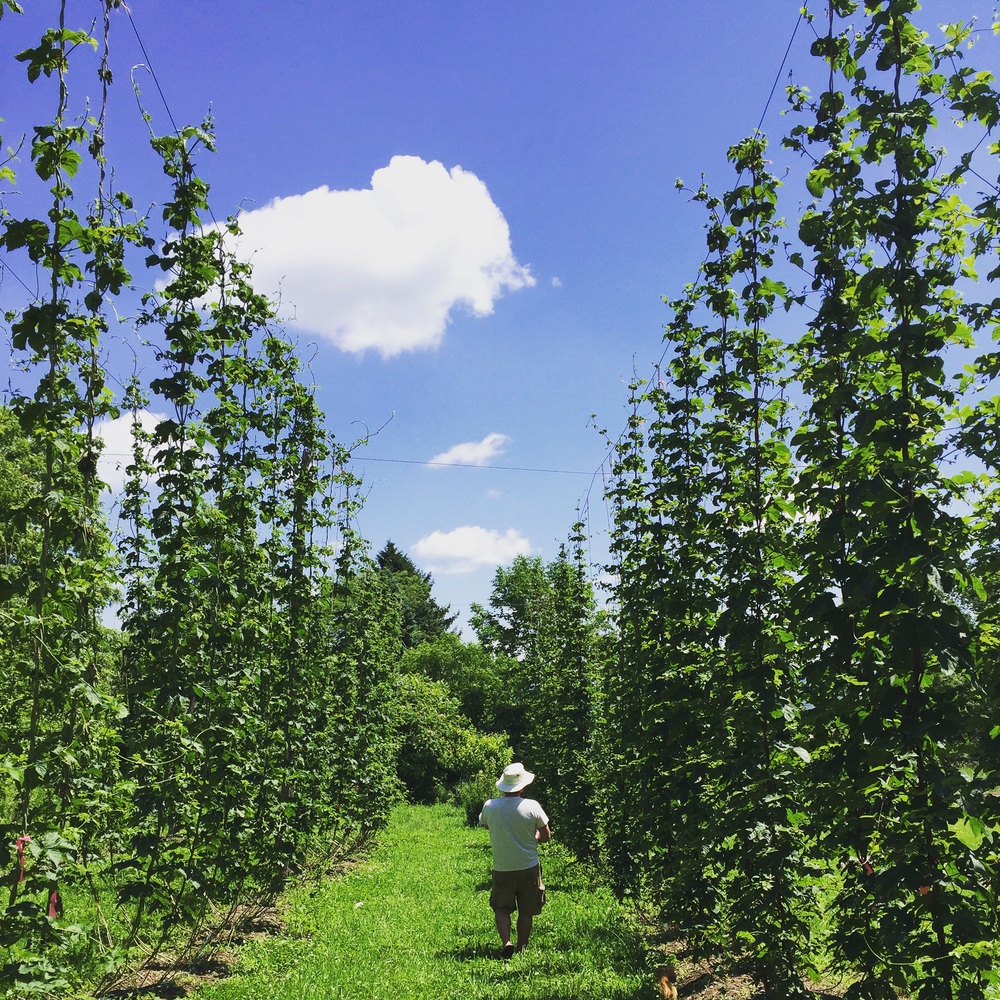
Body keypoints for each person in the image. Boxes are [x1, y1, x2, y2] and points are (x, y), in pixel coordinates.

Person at [479, 762, 551, 959]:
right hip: (528, 866)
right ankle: (522, 947)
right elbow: (545, 836)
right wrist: (533, 836)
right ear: (523, 785)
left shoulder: (490, 806)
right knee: (526, 910)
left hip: (502, 867)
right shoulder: (532, 806)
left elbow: (485, 824)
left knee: (501, 907)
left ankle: (506, 942)